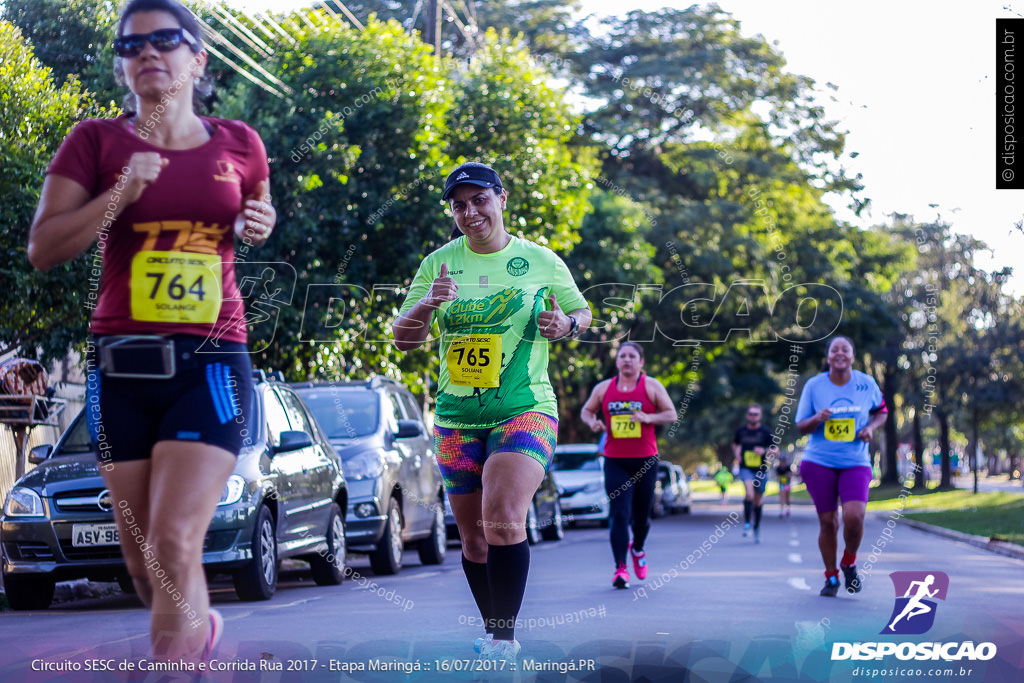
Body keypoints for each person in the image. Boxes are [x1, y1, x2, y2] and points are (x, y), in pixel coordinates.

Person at [27, 0, 275, 661]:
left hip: (211, 361)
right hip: (121, 365)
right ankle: (199, 639)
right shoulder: (96, 143)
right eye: (131, 46)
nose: (147, 54)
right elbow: (44, 248)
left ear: (198, 59)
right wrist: (118, 197)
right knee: (142, 562)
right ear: (121, 67)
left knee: (173, 540)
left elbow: (255, 212)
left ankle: (174, 669)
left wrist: (261, 222)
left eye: (165, 40)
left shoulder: (240, 143)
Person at [393, 162, 591, 662]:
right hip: (457, 416)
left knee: (503, 517)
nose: (470, 211)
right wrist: (426, 305)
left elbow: (582, 313)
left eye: (479, 199)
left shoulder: (541, 260)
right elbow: (404, 338)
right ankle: (492, 629)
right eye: (459, 204)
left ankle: (503, 642)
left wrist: (564, 324)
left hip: (525, 408)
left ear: (502, 198)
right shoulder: (437, 263)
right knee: (474, 540)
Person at [795, 336, 887, 597]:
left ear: (852, 356)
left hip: (855, 462)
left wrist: (870, 427)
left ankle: (848, 561)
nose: (839, 353)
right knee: (828, 523)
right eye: (834, 349)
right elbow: (801, 425)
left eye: (845, 349)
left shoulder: (866, 383)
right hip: (819, 462)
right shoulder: (815, 385)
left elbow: (882, 411)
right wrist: (817, 418)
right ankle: (831, 576)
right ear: (828, 357)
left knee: (854, 517)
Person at [580, 342, 676, 589]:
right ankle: (620, 568)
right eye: (622, 355)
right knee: (619, 514)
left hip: (645, 460)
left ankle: (639, 548)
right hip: (615, 460)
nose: (627, 360)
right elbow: (586, 411)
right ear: (617, 361)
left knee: (641, 518)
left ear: (641, 362)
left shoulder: (651, 386)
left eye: (632, 356)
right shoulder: (604, 388)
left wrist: (648, 417)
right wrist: (592, 422)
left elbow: (671, 414)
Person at [732, 403, 772, 543]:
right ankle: (747, 523)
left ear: (760, 416)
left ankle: (756, 526)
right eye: (751, 413)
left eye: (756, 414)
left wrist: (764, 451)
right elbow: (736, 444)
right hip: (745, 468)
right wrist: (737, 454)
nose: (753, 416)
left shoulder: (765, 432)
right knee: (749, 493)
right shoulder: (741, 431)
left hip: (761, 470)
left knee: (758, 500)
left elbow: (775, 450)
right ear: (747, 415)